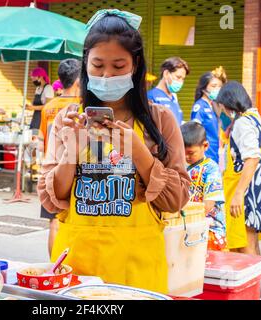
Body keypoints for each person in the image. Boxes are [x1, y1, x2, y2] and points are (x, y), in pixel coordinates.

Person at [38, 9, 190, 292]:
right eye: (97, 65)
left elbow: (177, 200)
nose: (107, 75)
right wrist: (72, 148)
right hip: (77, 271)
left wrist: (139, 152)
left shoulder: (161, 121)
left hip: (138, 271)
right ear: (85, 64)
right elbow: (53, 199)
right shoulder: (67, 119)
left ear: (136, 66)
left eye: (119, 66)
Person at [216, 81, 261, 255]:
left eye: (223, 106)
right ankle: (256, 281)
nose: (223, 110)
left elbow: (252, 158)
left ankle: (249, 282)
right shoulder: (256, 119)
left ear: (230, 102)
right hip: (257, 187)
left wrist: (239, 194)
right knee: (252, 241)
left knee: (245, 245)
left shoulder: (242, 123)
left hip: (246, 191)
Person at [39, 59, 81, 257]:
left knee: (53, 223)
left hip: (51, 167)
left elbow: (40, 140)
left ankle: (53, 265)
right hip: (70, 169)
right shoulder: (78, 108)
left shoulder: (49, 106)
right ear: (78, 81)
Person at [181, 121, 227, 251]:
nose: (186, 157)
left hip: (210, 230)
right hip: (190, 226)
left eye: (191, 153)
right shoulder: (182, 166)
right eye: (183, 152)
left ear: (205, 146)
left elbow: (208, 205)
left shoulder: (211, 169)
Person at [191, 71, 225, 164]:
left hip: (214, 154)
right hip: (205, 156)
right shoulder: (199, 107)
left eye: (219, 86)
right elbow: (194, 132)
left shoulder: (213, 106)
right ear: (203, 89)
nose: (217, 89)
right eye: (214, 86)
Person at [147, 57, 189, 125]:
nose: (180, 82)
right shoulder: (151, 97)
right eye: (178, 77)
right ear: (166, 73)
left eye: (183, 79)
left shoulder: (174, 98)